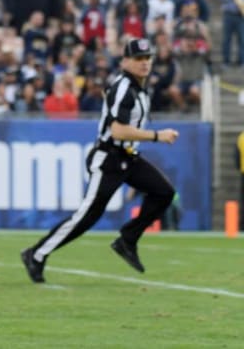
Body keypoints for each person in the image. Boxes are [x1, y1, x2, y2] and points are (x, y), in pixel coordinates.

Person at [20, 38, 179, 283]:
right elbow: (118, 131)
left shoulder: (139, 87)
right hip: (109, 159)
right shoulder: (124, 87)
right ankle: (36, 254)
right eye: (138, 59)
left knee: (164, 192)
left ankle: (127, 239)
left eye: (148, 58)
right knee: (86, 216)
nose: (144, 63)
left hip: (128, 157)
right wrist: (158, 136)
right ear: (125, 61)